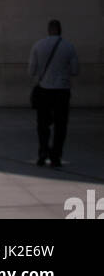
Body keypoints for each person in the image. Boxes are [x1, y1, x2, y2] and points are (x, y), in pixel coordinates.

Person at [29, 19, 79, 168]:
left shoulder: (38, 45)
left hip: (44, 90)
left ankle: (43, 152)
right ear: (60, 30)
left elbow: (31, 71)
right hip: (62, 91)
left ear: (48, 30)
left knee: (43, 125)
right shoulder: (69, 47)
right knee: (60, 125)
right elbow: (75, 70)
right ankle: (56, 156)